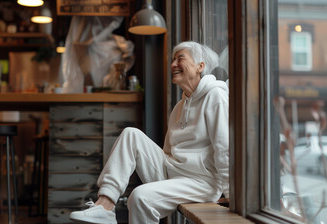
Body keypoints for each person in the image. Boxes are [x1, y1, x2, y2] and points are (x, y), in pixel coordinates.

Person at [70, 41, 229, 224]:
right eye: (173, 60)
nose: (173, 64)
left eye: (181, 58)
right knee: (131, 134)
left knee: (139, 197)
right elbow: (168, 151)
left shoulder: (215, 96)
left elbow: (224, 149)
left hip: (202, 182)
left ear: (200, 66)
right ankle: (105, 205)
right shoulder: (179, 106)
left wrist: (232, 194)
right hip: (173, 173)